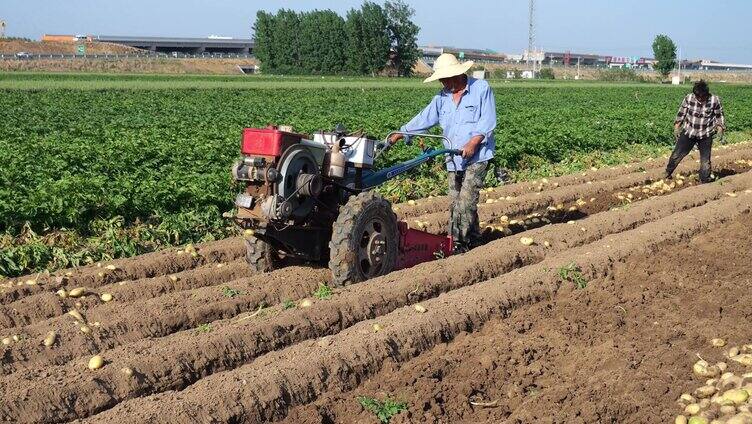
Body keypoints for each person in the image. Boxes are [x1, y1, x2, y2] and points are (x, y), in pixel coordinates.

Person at [389, 53, 496, 253]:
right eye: (441, 79)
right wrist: (401, 133)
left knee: (466, 200)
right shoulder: (441, 98)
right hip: (453, 157)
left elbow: (487, 122)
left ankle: (456, 245)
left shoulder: (481, 89)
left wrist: (473, 143)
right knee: (456, 202)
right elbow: (425, 118)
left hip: (478, 155)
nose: (443, 83)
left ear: (457, 74)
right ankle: (474, 240)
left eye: (445, 78)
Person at [665, 80, 726, 183]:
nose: (700, 99)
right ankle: (667, 172)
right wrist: (676, 127)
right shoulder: (689, 98)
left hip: (705, 134)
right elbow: (681, 113)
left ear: (707, 94)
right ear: (695, 94)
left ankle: (704, 179)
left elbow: (719, 115)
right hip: (689, 131)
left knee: (705, 161)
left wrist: (720, 129)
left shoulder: (714, 100)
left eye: (703, 97)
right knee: (677, 154)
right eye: (698, 97)